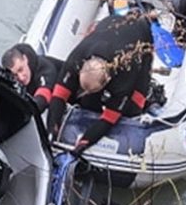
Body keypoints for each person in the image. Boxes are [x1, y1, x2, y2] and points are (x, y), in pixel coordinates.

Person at [47, 11, 153, 156]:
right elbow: (58, 95)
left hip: (140, 41)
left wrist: (84, 143)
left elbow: (109, 119)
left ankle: (152, 96)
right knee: (87, 101)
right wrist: (52, 128)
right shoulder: (77, 57)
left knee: (134, 107)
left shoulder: (126, 71)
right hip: (111, 24)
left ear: (108, 81)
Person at [1, 43, 64, 112]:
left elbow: (43, 96)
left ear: (25, 59)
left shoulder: (46, 68)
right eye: (15, 75)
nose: (21, 78)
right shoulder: (16, 81)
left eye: (21, 69)